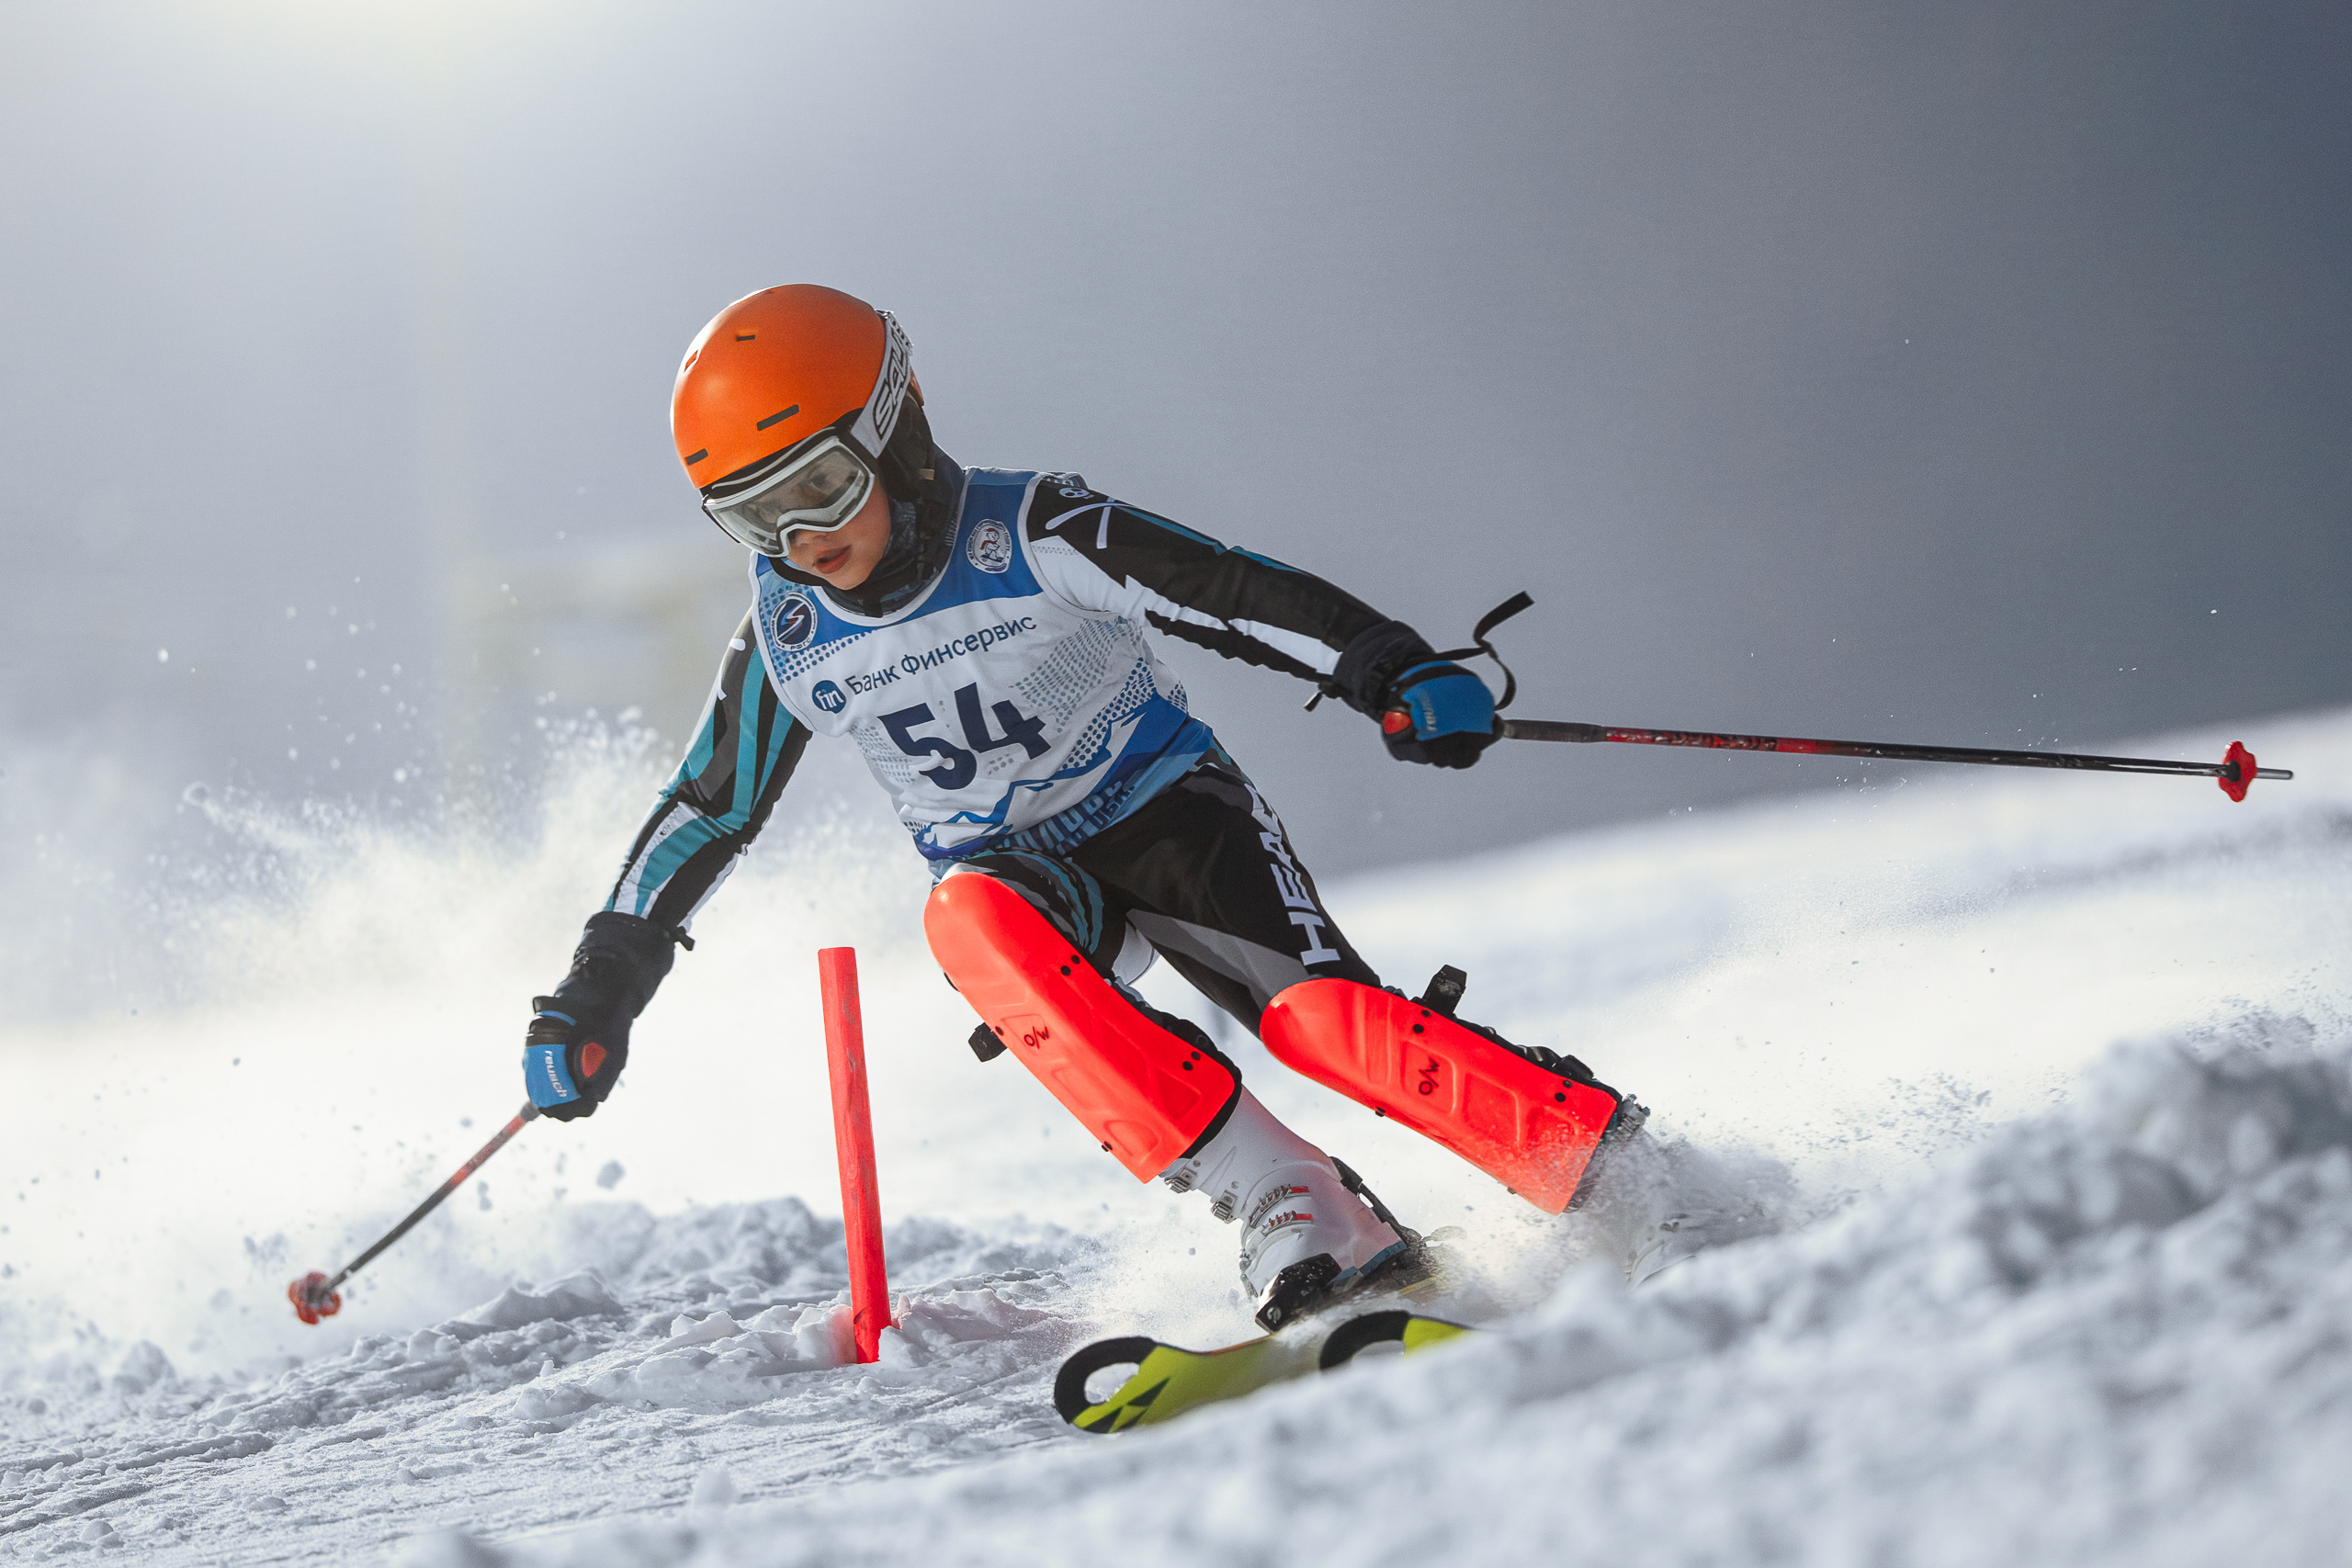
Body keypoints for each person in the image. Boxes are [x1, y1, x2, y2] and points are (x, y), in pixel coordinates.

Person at [522, 285, 1642, 1331]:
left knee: (1323, 1026)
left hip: (1170, 819)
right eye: (754, 518)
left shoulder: (1033, 530)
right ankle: (1293, 1198)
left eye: (819, 488)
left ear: (893, 432)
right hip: (1027, 886)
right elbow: (707, 808)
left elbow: (1225, 593)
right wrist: (598, 986)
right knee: (965, 919)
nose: (801, 541)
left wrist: (1386, 666)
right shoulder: (792, 633)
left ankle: (1592, 1153)